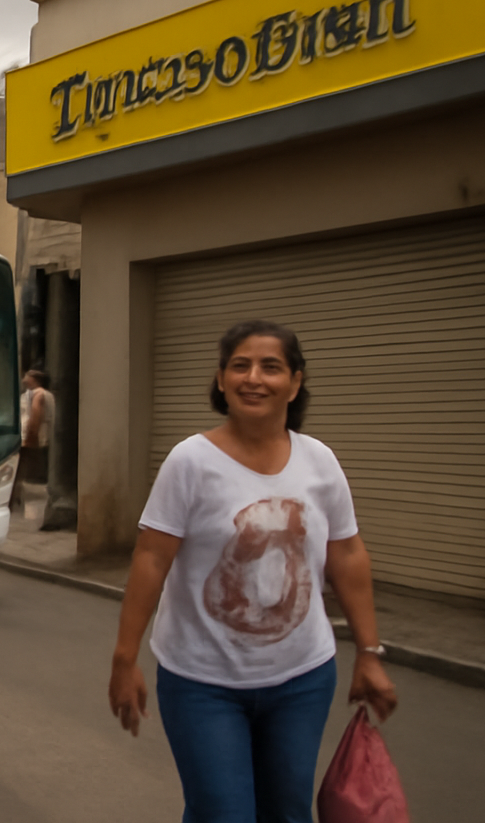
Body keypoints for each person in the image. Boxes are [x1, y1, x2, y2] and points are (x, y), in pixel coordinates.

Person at [108, 320, 397, 822]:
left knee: (287, 813)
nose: (254, 378)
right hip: (201, 681)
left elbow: (347, 555)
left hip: (302, 679)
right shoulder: (190, 462)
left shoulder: (320, 462)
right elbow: (152, 557)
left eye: (271, 367)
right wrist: (124, 658)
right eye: (239, 366)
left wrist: (369, 653)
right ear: (221, 380)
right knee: (224, 813)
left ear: (295, 382)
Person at [14, 369, 51, 512]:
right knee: (21, 471)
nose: (24, 379)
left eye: (27, 376)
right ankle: (17, 499)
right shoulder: (40, 394)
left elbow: (35, 415)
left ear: (34, 379)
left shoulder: (38, 395)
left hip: (28, 437)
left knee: (18, 470)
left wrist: (30, 437)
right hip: (31, 437)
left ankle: (15, 500)